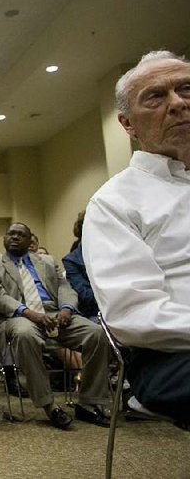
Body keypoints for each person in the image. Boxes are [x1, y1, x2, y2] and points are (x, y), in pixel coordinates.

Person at [83, 50, 190, 425]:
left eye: (186, 89)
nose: (177, 103)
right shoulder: (115, 201)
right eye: (156, 97)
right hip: (170, 354)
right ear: (127, 124)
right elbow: (132, 314)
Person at [0, 222, 111, 429]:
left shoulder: (47, 261)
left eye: (20, 234)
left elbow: (65, 287)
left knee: (96, 333)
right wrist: (32, 314)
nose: (14, 237)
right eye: (10, 234)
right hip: (17, 316)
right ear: (4, 238)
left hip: (54, 313)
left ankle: (88, 403)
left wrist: (67, 309)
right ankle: (49, 405)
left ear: (30, 240)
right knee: (26, 335)